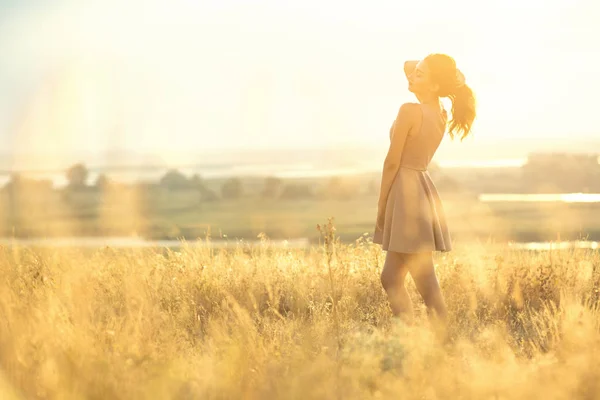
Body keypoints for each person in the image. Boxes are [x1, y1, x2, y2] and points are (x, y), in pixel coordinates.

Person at [373, 54, 476, 327]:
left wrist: (381, 205)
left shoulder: (410, 110)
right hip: (419, 189)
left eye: (419, 74)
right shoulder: (439, 112)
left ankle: (442, 341)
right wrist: (436, 73)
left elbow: (392, 161)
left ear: (432, 85)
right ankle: (410, 338)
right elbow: (408, 64)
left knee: (425, 280)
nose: (410, 76)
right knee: (391, 278)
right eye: (414, 73)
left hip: (405, 194)